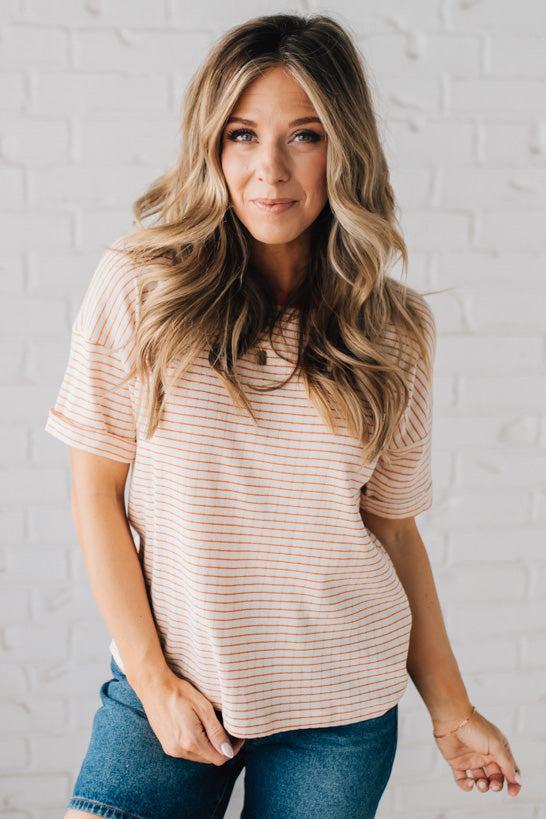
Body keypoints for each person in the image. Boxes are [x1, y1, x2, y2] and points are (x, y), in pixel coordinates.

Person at [45, 13, 522, 819]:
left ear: (346, 148)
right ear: (212, 144)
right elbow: (95, 493)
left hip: (338, 712)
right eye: (241, 135)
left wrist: (451, 707)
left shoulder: (394, 329)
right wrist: (155, 683)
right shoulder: (140, 285)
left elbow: (393, 531)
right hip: (170, 682)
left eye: (304, 135)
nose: (270, 169)